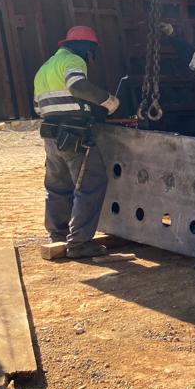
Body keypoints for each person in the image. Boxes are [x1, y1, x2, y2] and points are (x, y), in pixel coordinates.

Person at [33, 25, 119, 258]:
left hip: (50, 135)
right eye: (92, 52)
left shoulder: (44, 69)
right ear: (87, 48)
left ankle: (58, 234)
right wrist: (108, 101)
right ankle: (79, 243)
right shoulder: (72, 61)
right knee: (90, 184)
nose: (91, 58)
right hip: (73, 134)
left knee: (57, 186)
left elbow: (39, 107)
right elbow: (77, 86)